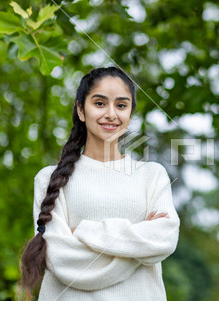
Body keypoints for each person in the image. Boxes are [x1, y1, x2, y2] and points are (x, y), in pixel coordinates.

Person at [19, 66, 180, 301]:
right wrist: (137, 245)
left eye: (121, 105)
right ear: (81, 110)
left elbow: (164, 239)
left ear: (130, 114)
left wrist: (85, 232)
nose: (111, 114)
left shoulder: (152, 175)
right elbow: (60, 258)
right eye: (100, 103)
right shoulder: (48, 178)